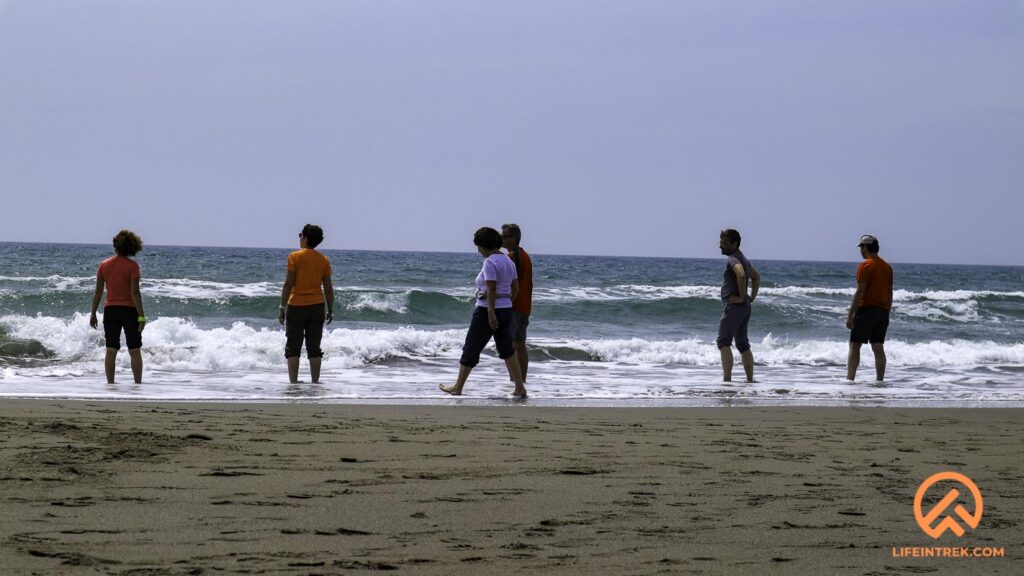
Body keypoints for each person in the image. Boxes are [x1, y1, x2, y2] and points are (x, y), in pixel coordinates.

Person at [441, 227, 527, 398]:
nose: (478, 250)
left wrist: (491, 313)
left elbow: (491, 288)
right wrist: (507, 303)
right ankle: (519, 387)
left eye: (478, 246)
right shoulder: (508, 261)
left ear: (484, 245)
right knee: (507, 350)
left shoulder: (490, 262)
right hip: (506, 309)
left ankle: (458, 387)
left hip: (486, 311)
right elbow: (515, 287)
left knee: (471, 346)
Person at [279, 224, 334, 384]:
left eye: (300, 235)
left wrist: (282, 307)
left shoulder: (294, 257)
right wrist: (330, 309)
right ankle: (315, 383)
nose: (299, 238)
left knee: (293, 347)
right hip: (317, 306)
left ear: (305, 237)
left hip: (296, 306)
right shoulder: (324, 260)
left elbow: (288, 284)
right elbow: (328, 289)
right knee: (314, 348)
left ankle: (294, 384)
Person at [89, 230, 147, 384]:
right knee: (134, 350)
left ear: (115, 246)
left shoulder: (104, 265)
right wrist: (141, 316)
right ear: (131, 247)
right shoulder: (133, 266)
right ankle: (137, 385)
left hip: (111, 311)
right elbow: (134, 293)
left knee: (111, 349)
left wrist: (93, 313)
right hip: (129, 311)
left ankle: (110, 385)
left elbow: (98, 292)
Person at [846, 234, 893, 381]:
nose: (860, 250)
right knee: (878, 346)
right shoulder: (887, 267)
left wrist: (850, 315)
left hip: (867, 309)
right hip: (883, 311)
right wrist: (887, 311)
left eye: (861, 247)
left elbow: (860, 291)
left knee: (854, 345)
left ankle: (850, 379)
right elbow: (890, 291)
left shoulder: (865, 265)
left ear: (865, 247)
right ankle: (880, 381)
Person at [717, 229, 760, 382]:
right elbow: (756, 276)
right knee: (742, 344)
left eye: (724, 243)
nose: (720, 246)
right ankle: (750, 380)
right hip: (745, 308)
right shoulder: (744, 259)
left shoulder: (733, 259)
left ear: (735, 244)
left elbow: (741, 274)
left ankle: (727, 381)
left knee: (723, 341)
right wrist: (751, 298)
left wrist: (742, 297)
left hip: (735, 307)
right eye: (721, 243)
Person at [502, 223, 533, 383]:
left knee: (509, 346)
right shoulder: (525, 255)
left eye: (506, 236)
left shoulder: (512, 256)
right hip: (525, 306)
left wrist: (508, 303)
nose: (503, 239)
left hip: (514, 306)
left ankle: (515, 381)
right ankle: (522, 380)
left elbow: (513, 284)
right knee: (520, 344)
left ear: (514, 239)